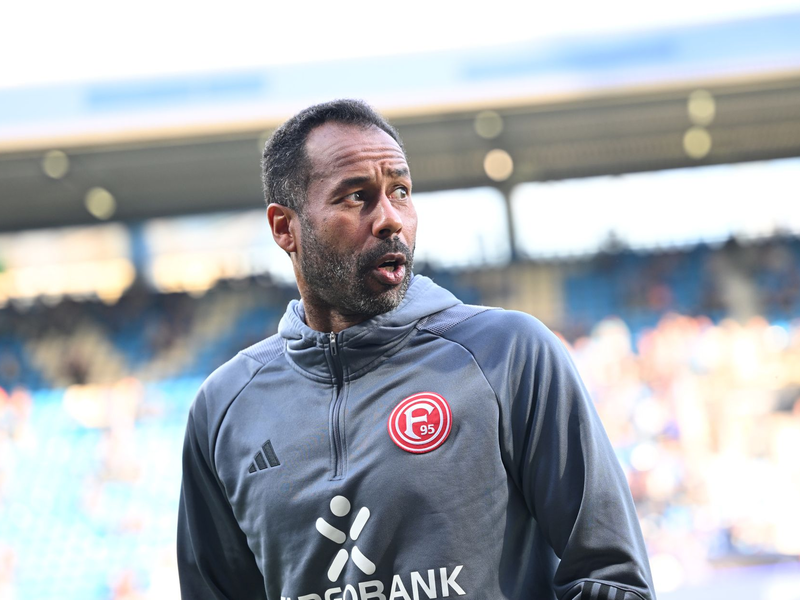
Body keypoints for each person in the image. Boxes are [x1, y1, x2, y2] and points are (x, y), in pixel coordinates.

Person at [177, 99, 656, 600]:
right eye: (356, 196)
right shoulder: (224, 408)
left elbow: (611, 577)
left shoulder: (507, 354)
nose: (390, 219)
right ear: (284, 228)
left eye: (400, 191)